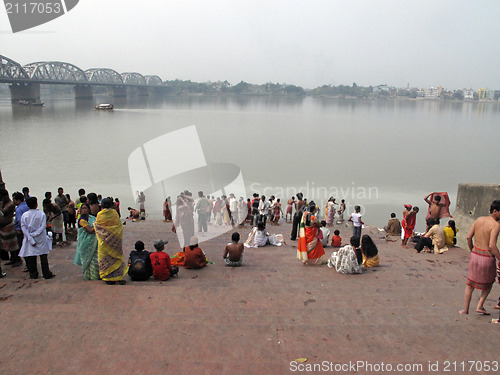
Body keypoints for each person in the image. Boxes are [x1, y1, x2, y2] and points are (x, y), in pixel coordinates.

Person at [459, 200, 500, 315]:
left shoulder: (478, 220)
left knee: (470, 284)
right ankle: (480, 306)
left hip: (475, 254)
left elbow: (468, 237)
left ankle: (465, 309)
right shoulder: (496, 225)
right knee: (489, 283)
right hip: (486, 257)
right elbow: (492, 245)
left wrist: (472, 249)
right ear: (495, 211)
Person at [19, 197, 56, 279]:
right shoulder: (41, 214)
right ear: (36, 204)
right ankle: (46, 273)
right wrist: (35, 234)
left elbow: (23, 228)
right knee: (43, 256)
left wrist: (30, 236)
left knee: (31, 256)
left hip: (30, 238)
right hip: (40, 238)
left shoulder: (24, 215)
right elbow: (43, 226)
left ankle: (33, 274)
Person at [94, 197, 127, 285]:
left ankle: (107, 277)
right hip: (115, 241)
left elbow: (97, 227)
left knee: (105, 259)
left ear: (102, 205)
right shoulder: (115, 214)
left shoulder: (100, 215)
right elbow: (119, 226)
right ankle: (118, 277)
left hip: (104, 243)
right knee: (116, 259)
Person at [73, 203, 99, 280]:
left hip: (94, 243)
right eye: (82, 208)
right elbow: (90, 230)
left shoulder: (92, 218)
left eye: (85, 208)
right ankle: (88, 276)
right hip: (85, 243)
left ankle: (95, 276)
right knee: (87, 260)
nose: (83, 210)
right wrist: (99, 226)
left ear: (89, 209)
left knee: (94, 259)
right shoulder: (82, 220)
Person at [0, 189, 19, 272]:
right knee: (8, 245)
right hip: (3, 227)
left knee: (13, 245)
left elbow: (2, 212)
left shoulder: (10, 204)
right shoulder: (4, 203)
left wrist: (1, 205)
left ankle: (17, 260)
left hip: (9, 226)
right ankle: (12, 259)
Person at [11, 192, 28, 266]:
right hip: (28, 229)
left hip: (20, 231)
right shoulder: (27, 206)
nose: (13, 201)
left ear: (18, 200)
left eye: (13, 199)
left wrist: (18, 229)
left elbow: (20, 220)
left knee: (22, 247)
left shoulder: (18, 210)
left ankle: (27, 265)